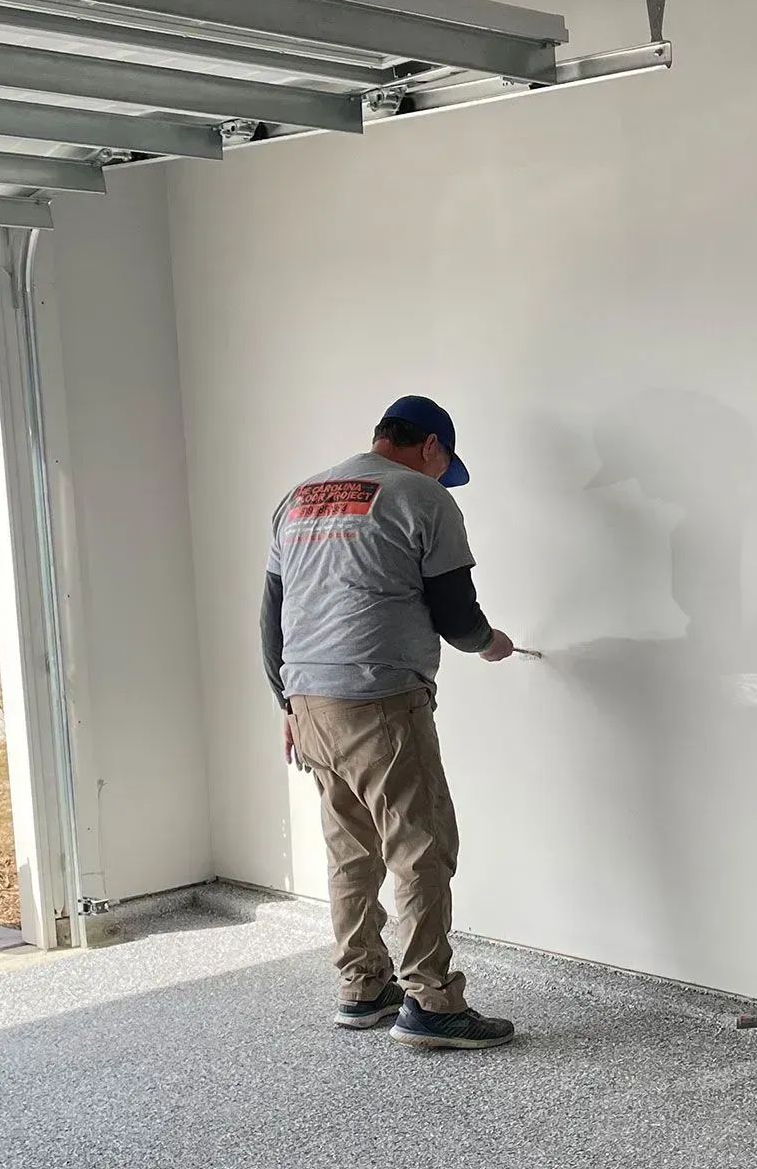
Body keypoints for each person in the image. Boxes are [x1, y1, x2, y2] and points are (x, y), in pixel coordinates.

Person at [261, 395, 519, 1050]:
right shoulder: (421, 497)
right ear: (430, 446)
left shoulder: (300, 497)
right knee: (421, 847)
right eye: (443, 464)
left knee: (351, 848)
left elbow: (272, 612)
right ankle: (432, 1002)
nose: (441, 477)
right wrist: (490, 644)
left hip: (311, 702)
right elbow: (457, 615)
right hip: (380, 699)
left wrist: (287, 702)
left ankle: (362, 987)